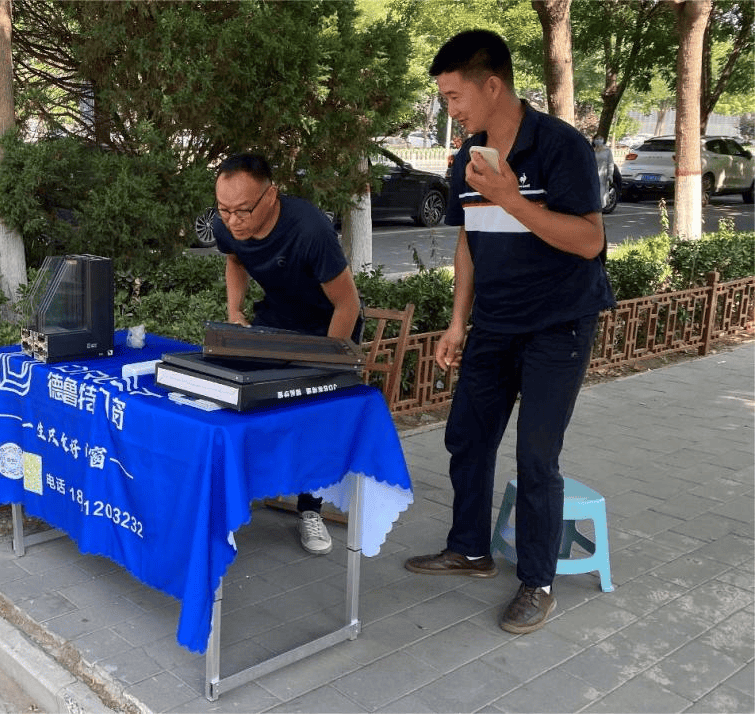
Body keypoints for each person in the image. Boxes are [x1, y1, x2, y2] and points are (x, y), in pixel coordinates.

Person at [403, 30, 614, 634]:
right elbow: (470, 240)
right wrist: (457, 322)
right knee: (467, 437)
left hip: (558, 324)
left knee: (536, 456)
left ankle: (537, 583)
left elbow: (591, 241)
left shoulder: (561, 147)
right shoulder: (468, 155)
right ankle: (469, 549)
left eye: (453, 96)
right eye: (443, 99)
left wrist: (512, 198)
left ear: (491, 85)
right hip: (494, 323)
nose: (450, 109)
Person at [211, 153, 363, 556]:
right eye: (224, 209)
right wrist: (234, 312)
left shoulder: (309, 229)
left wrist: (324, 364)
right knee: (245, 396)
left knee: (309, 412)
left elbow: (347, 304)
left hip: (327, 326)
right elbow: (234, 259)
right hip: (277, 319)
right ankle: (247, 487)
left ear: (271, 195)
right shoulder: (225, 224)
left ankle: (309, 508)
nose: (233, 220)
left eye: (243, 210)